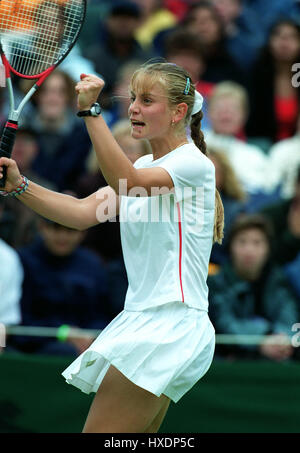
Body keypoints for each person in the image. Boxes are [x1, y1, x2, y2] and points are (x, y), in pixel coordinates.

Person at [0, 61, 224, 433]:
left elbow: (127, 179)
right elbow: (80, 212)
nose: (134, 107)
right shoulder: (150, 164)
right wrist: (20, 185)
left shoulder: (191, 164)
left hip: (169, 323)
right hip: (150, 320)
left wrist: (90, 112)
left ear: (178, 112)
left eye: (147, 100)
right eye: (134, 98)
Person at [13, 215, 110, 356]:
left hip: (89, 344)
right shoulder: (23, 261)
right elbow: (20, 319)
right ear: (42, 227)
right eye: (55, 228)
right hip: (37, 347)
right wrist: (62, 332)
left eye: (70, 230)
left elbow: (103, 313)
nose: (62, 237)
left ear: (83, 232)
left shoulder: (92, 264)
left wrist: (90, 335)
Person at [208, 214, 298, 360]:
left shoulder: (278, 280)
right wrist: (261, 340)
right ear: (231, 247)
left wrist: (281, 339)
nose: (249, 250)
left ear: (268, 248)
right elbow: (225, 323)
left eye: (257, 243)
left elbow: (289, 319)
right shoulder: (216, 283)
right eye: (242, 242)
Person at [246, 19, 300, 143]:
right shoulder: (255, 75)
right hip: (263, 144)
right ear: (269, 42)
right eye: (279, 36)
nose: (285, 42)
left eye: (292, 37)